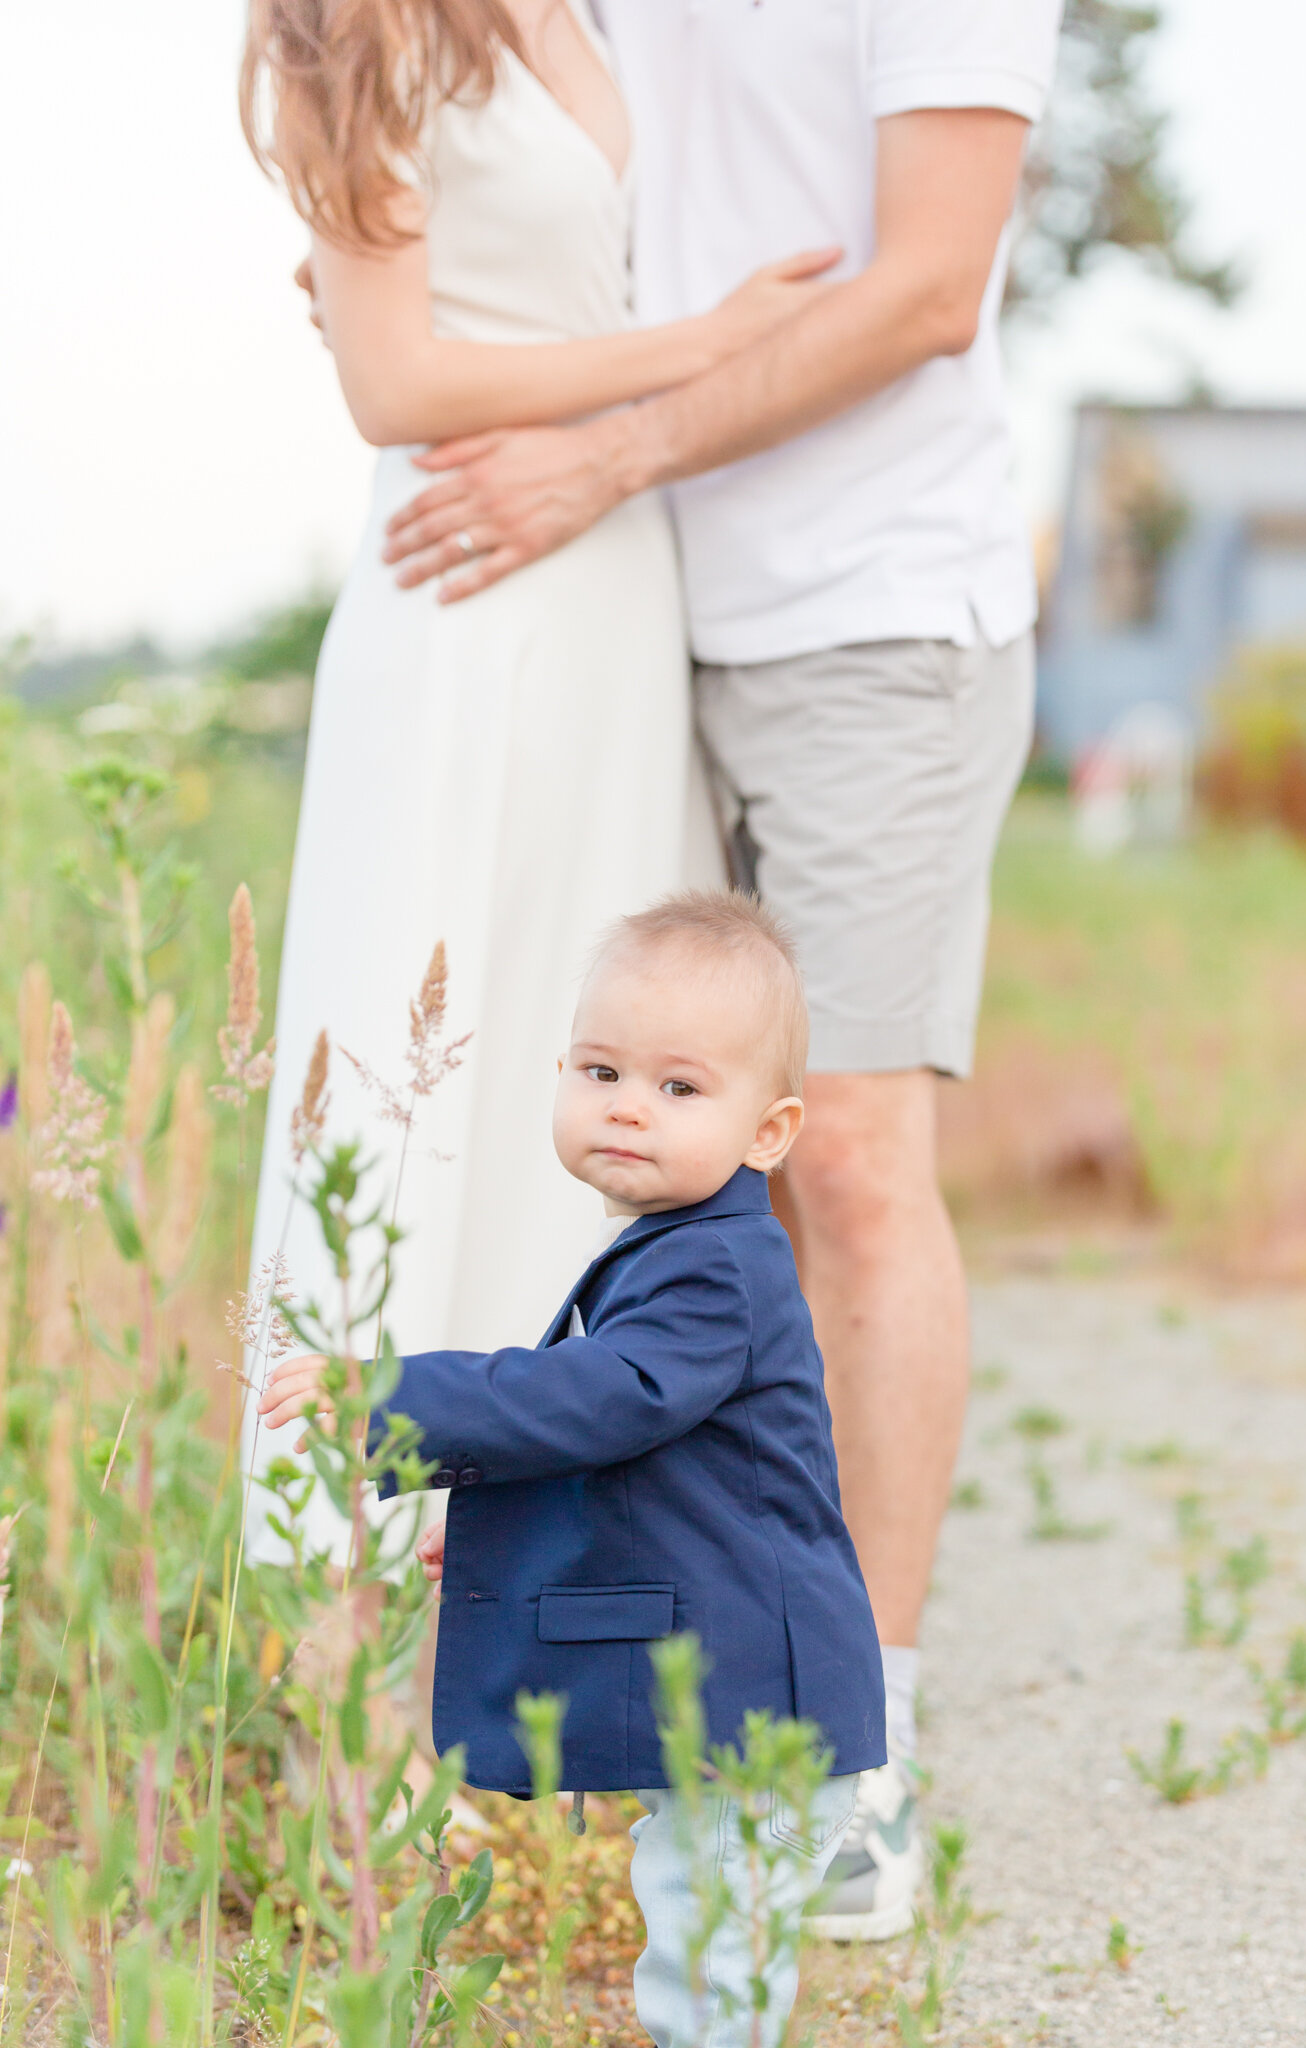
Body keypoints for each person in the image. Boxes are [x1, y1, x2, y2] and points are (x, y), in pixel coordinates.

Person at [380, 0, 1064, 1939]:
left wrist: (605, 452)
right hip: (617, 598)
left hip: (864, 615)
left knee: (836, 1154)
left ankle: (855, 1750)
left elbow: (927, 285)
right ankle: (621, 1705)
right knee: (610, 1141)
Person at [238, 0, 835, 1557]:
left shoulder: (608, 18)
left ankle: (580, 1552)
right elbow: (391, 381)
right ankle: (349, 1575)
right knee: (427, 1053)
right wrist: (698, 352)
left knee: (618, 1061)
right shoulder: (344, 27)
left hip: (624, 587)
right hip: (472, 584)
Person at [260, 891, 886, 2048]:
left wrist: (393, 1394)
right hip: (734, 1687)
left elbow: (605, 1399)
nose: (629, 1108)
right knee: (699, 1916)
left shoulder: (717, 1273)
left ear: (771, 1131)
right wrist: (502, 1523)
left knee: (713, 1944)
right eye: (601, 1070)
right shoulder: (680, 1249)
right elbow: (648, 1467)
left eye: (679, 1086)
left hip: (764, 1708)